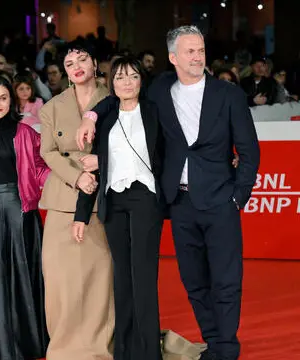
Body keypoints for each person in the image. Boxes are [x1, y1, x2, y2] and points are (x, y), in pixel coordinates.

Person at [77, 25, 260, 360]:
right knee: (193, 281)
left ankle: (226, 348)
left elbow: (249, 150)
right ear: (173, 57)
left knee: (226, 279)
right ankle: (212, 341)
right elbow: (119, 96)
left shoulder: (228, 94)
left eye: (201, 50)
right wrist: (90, 115)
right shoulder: (160, 89)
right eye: (189, 51)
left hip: (221, 200)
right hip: (179, 201)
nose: (197, 56)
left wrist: (238, 197)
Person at [73, 56, 164, 360]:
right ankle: (125, 351)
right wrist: (82, 214)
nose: (127, 83)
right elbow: (95, 166)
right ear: (111, 83)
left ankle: (149, 352)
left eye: (133, 77)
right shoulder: (107, 114)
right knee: (122, 279)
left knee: (143, 277)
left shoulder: (154, 111)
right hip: (114, 201)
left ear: (142, 80)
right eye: (120, 77)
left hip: (145, 199)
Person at [38, 40, 114, 360]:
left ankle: (99, 347)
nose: (77, 66)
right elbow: (47, 152)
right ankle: (64, 348)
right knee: (60, 281)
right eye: (70, 64)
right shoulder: (52, 107)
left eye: (82, 59)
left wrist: (100, 164)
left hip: (106, 198)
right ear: (65, 72)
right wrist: (77, 176)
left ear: (95, 64)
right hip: (62, 201)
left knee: (100, 279)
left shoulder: (114, 98)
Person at [0, 75, 50, 360]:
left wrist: (69, 180)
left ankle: (25, 342)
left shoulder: (25, 132)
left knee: (21, 276)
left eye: (2, 98)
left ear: (11, 100)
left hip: (20, 210)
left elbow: (41, 167)